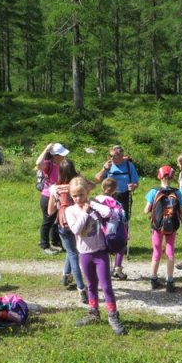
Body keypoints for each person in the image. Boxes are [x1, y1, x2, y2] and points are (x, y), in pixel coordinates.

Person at [65, 176, 127, 335]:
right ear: (71, 196)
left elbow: (108, 213)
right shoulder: (70, 210)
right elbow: (76, 230)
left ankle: (113, 315)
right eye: (75, 196)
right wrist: (85, 212)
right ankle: (94, 312)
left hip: (100, 253)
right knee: (91, 285)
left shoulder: (95, 206)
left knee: (106, 286)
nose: (78, 198)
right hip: (85, 254)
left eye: (81, 194)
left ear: (87, 192)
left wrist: (92, 204)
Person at [47, 159, 89, 304]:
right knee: (73, 252)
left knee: (71, 252)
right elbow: (94, 186)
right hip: (78, 221)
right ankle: (74, 282)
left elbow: (50, 210)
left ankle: (74, 282)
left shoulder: (55, 188)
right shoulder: (76, 185)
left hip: (63, 223)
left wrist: (59, 205)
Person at [94, 145, 139, 278]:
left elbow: (136, 182)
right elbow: (97, 179)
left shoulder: (128, 165)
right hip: (108, 199)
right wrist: (104, 169)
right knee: (106, 228)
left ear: (121, 155)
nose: (113, 158)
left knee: (122, 227)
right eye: (112, 156)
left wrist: (133, 186)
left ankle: (117, 266)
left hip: (124, 197)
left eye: (116, 156)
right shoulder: (108, 165)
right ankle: (108, 261)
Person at [143, 166, 182, 293]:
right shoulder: (177, 192)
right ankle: (170, 281)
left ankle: (153, 279)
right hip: (171, 226)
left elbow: (146, 211)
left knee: (156, 252)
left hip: (157, 227)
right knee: (170, 252)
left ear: (158, 176)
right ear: (172, 177)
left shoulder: (154, 191)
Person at [35, 142, 69, 255]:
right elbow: (38, 163)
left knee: (57, 220)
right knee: (48, 221)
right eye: (61, 154)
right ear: (55, 156)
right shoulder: (48, 165)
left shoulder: (63, 165)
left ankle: (56, 242)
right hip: (48, 197)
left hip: (59, 196)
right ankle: (45, 245)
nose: (64, 156)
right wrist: (46, 149)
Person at [99, 178, 128, 280]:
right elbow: (122, 218)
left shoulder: (97, 199)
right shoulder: (116, 203)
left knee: (103, 251)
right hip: (114, 230)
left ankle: (104, 270)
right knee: (121, 247)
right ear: (115, 189)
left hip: (100, 230)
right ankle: (117, 269)